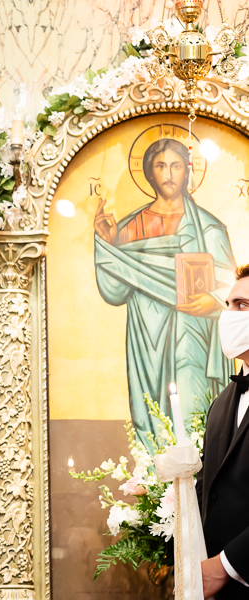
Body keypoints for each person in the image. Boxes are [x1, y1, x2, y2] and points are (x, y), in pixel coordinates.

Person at [94, 137, 236, 449]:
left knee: (192, 407)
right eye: (160, 166)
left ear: (187, 172)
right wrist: (107, 243)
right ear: (149, 173)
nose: (168, 173)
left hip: (193, 335)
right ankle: (157, 488)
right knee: (151, 414)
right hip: (146, 339)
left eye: (175, 165)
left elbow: (232, 285)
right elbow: (115, 290)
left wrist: (213, 302)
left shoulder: (209, 228)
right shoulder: (129, 227)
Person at [198, 263, 249, 599]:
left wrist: (226, 565)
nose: (229, 315)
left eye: (242, 306)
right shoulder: (221, 404)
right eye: (228, 305)